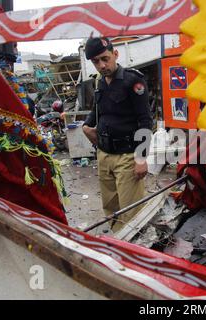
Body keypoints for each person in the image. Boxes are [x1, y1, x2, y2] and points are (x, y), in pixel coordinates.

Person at [82, 37, 152, 233]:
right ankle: (119, 239)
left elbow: (145, 120)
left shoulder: (133, 80)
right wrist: (87, 127)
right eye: (96, 62)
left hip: (127, 156)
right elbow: (96, 111)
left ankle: (136, 246)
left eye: (105, 59)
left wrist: (141, 158)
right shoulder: (100, 82)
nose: (102, 65)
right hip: (104, 155)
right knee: (111, 207)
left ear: (115, 54)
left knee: (132, 210)